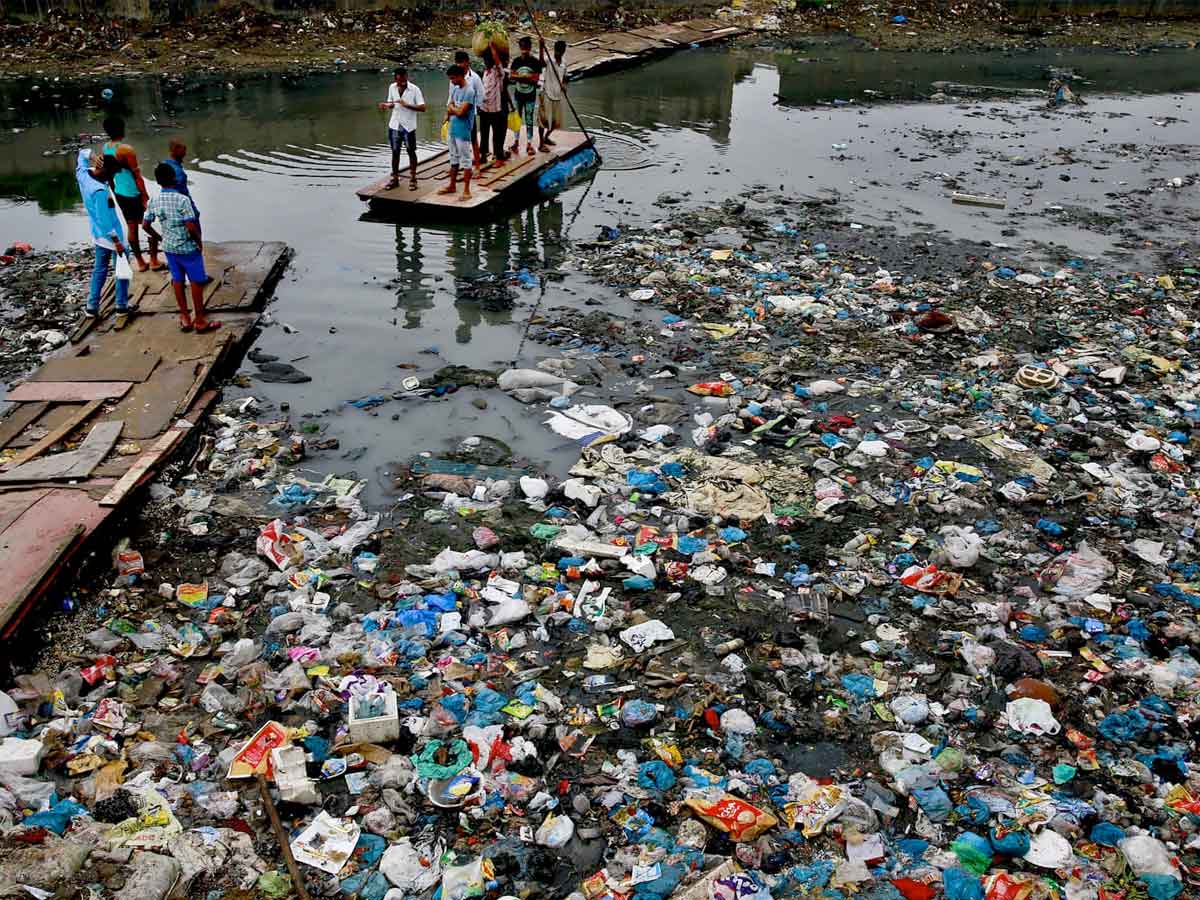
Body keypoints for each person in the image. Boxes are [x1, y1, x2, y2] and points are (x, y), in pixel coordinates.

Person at [142, 162, 220, 333]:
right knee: (196, 282)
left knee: (177, 280)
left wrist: (160, 238)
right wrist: (199, 242)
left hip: (169, 248)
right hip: (188, 249)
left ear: (157, 181)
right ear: (174, 178)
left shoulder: (154, 200)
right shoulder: (183, 200)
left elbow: (145, 225)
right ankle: (199, 320)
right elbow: (191, 227)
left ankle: (185, 318)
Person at [75, 148, 131, 323]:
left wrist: (92, 156)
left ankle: (92, 307)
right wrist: (117, 241)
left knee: (99, 270)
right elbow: (105, 220)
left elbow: (81, 154)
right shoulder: (98, 190)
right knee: (122, 270)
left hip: (97, 235)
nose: (112, 178)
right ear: (105, 171)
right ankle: (121, 306)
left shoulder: (84, 174)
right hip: (111, 236)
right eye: (112, 174)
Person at [102, 116, 161, 272]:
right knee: (147, 224)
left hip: (119, 192)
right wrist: (145, 196)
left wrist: (113, 191)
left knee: (131, 226)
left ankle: (141, 263)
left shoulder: (106, 147)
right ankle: (154, 259)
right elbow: (137, 175)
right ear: (122, 129)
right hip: (133, 192)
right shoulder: (126, 150)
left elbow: (109, 173)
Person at [379, 67, 426, 191]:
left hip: (408, 126)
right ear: (396, 79)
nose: (402, 82)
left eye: (404, 79)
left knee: (411, 151)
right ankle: (395, 179)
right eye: (400, 80)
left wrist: (407, 105)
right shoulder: (392, 87)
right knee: (395, 152)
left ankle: (413, 179)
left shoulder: (415, 89)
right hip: (394, 125)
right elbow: (392, 103)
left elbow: (423, 108)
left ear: (407, 76)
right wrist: (387, 105)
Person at [439, 65, 475, 201]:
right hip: (453, 128)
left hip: (463, 130)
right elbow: (451, 107)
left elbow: (460, 112)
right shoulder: (455, 89)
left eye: (453, 78)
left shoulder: (469, 91)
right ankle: (452, 185)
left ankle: (466, 190)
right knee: (453, 158)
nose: (452, 81)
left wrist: (453, 109)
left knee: (465, 160)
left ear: (460, 76)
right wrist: (453, 110)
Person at [508, 36, 543, 158]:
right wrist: (527, 78)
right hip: (518, 95)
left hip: (530, 96)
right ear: (520, 48)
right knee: (517, 119)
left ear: (529, 48)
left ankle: (529, 144)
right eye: (522, 48)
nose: (524, 50)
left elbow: (535, 79)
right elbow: (511, 76)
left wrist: (519, 77)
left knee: (529, 120)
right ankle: (516, 142)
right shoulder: (516, 61)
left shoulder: (535, 62)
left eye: (526, 48)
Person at [454, 50, 483, 172]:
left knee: (473, 140)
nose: (460, 65)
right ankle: (463, 164)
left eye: (462, 62)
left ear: (467, 62)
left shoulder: (475, 78)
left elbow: (481, 95)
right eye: (458, 63)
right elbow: (451, 95)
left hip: (470, 114)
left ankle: (477, 167)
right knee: (458, 140)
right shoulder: (454, 77)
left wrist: (477, 108)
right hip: (456, 112)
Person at [478, 49, 508, 169]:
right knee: (484, 134)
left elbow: (497, 62)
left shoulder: (498, 72)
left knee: (497, 135)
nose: (486, 62)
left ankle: (499, 158)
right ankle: (483, 155)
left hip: (496, 109)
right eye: (485, 60)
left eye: (488, 59)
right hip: (485, 108)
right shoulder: (485, 73)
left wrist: (492, 47)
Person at [538, 39, 568, 151]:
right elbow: (540, 63)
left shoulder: (564, 64)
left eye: (559, 52)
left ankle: (546, 138)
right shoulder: (549, 60)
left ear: (563, 52)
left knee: (555, 122)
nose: (556, 54)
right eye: (556, 51)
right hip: (546, 93)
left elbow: (565, 78)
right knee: (543, 120)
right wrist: (541, 47)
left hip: (557, 95)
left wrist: (564, 86)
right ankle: (541, 144)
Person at [163, 139, 196, 215]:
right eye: (184, 151)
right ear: (175, 151)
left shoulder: (165, 165)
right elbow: (183, 194)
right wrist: (194, 211)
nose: (185, 153)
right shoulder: (179, 173)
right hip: (183, 210)